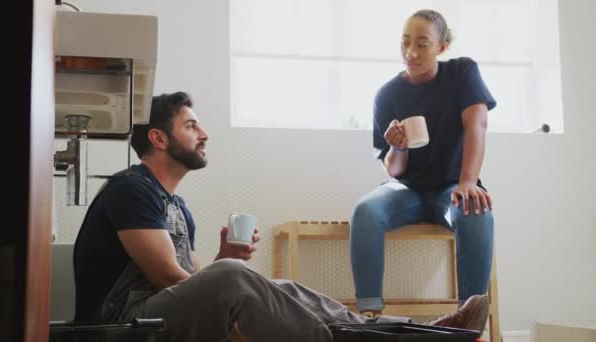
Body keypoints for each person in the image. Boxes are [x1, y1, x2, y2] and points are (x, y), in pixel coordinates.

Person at [73, 91, 491, 341]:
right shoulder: (132, 188)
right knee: (231, 278)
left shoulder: (175, 206)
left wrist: (225, 258)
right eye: (191, 126)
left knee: (279, 283)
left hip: (159, 316)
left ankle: (417, 332)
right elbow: (169, 279)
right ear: (159, 138)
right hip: (119, 329)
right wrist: (226, 274)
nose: (204, 134)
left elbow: (193, 288)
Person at [350, 9, 496, 319]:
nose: (410, 53)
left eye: (422, 44)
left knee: (476, 208)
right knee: (365, 211)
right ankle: (369, 317)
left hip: (452, 187)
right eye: (404, 42)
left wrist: (468, 182)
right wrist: (397, 145)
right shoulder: (387, 94)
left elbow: (477, 126)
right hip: (407, 190)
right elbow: (394, 170)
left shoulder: (462, 72)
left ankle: (470, 319)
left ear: (441, 47)